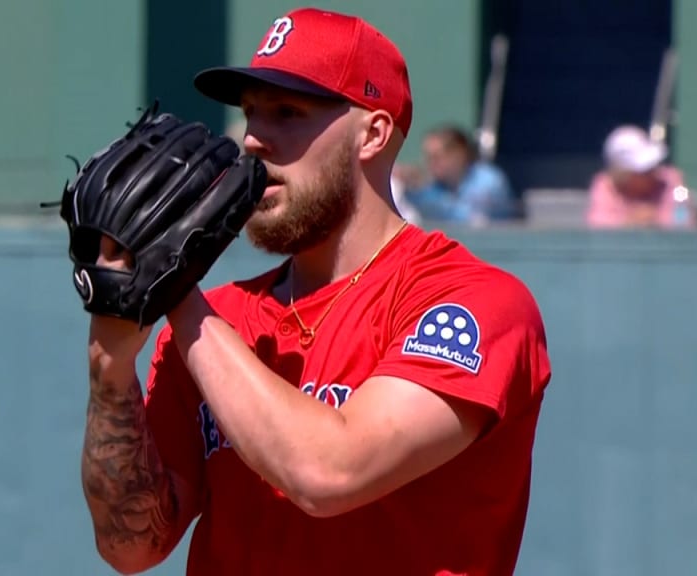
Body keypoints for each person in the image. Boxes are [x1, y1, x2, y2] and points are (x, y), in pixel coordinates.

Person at [79, 7, 551, 576]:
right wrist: (110, 372)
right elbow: (132, 547)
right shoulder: (221, 318)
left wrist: (179, 296)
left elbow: (330, 474)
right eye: (251, 114)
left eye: (287, 112)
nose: (254, 139)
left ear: (372, 134)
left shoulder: (468, 301)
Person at [395, 125, 518, 225]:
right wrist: (411, 188)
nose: (431, 164)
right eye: (428, 157)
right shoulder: (436, 187)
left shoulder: (489, 180)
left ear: (459, 154)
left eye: (436, 157)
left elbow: (477, 221)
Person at [586, 124, 695, 229]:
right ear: (623, 176)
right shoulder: (604, 185)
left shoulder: (674, 181)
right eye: (644, 170)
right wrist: (630, 222)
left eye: (652, 165)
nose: (652, 172)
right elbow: (597, 221)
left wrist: (657, 219)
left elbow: (684, 217)